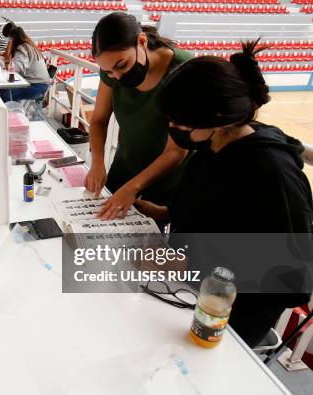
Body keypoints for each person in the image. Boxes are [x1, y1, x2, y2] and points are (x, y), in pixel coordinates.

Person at [135, 41, 313, 346]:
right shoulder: (211, 146)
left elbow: (292, 281)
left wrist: (190, 266)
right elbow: (218, 212)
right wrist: (165, 212)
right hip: (183, 287)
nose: (173, 129)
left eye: (180, 123)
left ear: (216, 120)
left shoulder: (274, 175)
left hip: (226, 319)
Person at [85, 13, 192, 221]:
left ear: (141, 41)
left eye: (121, 65)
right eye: (108, 72)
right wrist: (97, 162)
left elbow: (176, 151)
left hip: (165, 179)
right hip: (125, 167)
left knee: (147, 245)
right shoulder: (112, 70)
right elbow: (98, 120)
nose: (116, 77)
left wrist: (133, 187)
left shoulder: (183, 69)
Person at [0, 27, 51, 103]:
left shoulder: (22, 48)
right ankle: (15, 109)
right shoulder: (30, 46)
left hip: (36, 87)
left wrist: (6, 62)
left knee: (4, 93)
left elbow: (16, 68)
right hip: (42, 85)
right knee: (6, 90)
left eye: (10, 39)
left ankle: (11, 112)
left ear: (13, 39)